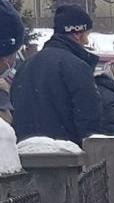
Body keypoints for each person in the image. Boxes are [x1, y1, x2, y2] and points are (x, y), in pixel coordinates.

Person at [11, 5, 100, 145]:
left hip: (25, 151)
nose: (87, 41)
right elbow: (88, 117)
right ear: (77, 33)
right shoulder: (77, 66)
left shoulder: (26, 66)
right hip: (66, 154)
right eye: (87, 34)